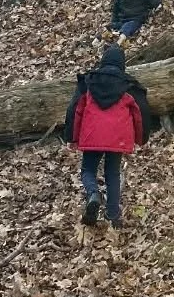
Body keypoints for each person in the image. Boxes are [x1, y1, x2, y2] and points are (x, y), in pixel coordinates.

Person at [64, 44, 151, 228]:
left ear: (103, 61)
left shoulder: (88, 82)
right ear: (122, 65)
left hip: (92, 134)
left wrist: (71, 137)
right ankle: (113, 215)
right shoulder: (128, 85)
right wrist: (141, 138)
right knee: (112, 174)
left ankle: (93, 193)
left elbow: (75, 110)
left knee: (88, 170)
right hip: (117, 137)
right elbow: (141, 112)